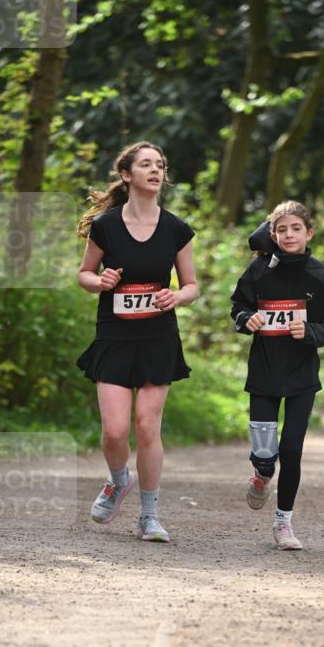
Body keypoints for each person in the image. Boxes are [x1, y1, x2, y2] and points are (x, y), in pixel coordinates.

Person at [76, 141, 198, 541]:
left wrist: (176, 295)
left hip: (157, 335)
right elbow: (84, 275)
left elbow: (192, 285)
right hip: (114, 334)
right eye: (146, 164)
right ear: (126, 175)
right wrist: (101, 282)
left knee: (147, 427)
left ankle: (149, 516)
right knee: (114, 431)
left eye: (160, 165)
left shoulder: (177, 228)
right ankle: (117, 481)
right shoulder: (106, 226)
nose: (155, 170)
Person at [231, 201, 324, 550]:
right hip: (264, 374)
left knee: (292, 450)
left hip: (301, 377)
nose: (289, 235)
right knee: (266, 456)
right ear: (272, 235)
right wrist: (245, 320)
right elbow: (239, 305)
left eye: (296, 228)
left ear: (309, 233)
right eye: (281, 230)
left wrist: (310, 332)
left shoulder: (322, 276)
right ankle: (261, 475)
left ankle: (283, 524)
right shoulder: (258, 270)